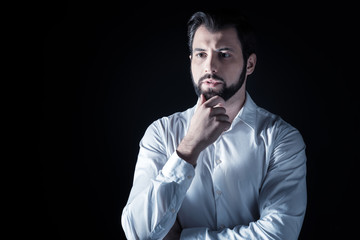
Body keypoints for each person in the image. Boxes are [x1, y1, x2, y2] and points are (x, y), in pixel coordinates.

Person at [121, 11, 307, 240]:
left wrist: (183, 237)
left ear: (249, 64)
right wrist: (189, 148)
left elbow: (279, 234)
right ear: (191, 60)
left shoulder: (281, 139)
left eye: (224, 54)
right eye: (201, 54)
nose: (210, 66)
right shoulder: (161, 134)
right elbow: (138, 233)